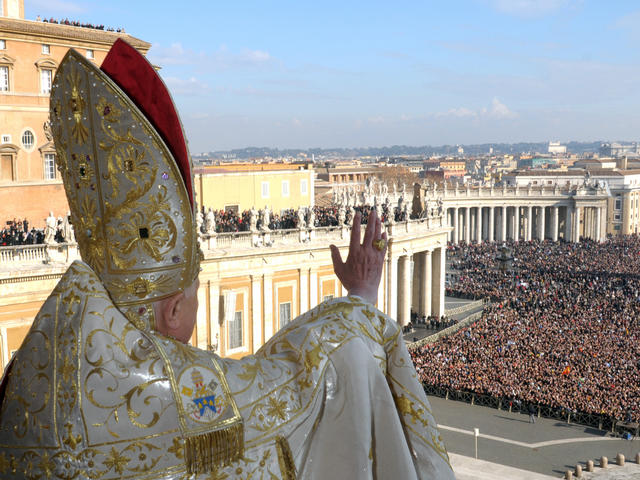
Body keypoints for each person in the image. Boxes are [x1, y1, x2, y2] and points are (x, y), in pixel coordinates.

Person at [0, 39, 454, 479]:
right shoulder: (177, 395)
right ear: (174, 310)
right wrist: (361, 295)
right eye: (194, 294)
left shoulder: (40, 370)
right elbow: (307, 378)